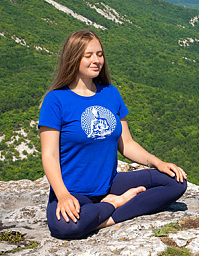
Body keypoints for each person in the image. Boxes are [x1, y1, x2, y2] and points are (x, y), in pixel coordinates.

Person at [39, 29, 187, 239]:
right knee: (66, 227)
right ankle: (117, 204)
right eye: (88, 55)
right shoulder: (55, 100)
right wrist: (62, 195)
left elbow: (127, 143)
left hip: (110, 184)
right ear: (73, 58)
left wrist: (157, 163)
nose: (96, 60)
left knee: (175, 182)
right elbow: (49, 155)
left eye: (99, 54)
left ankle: (102, 216)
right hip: (74, 190)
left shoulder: (110, 93)